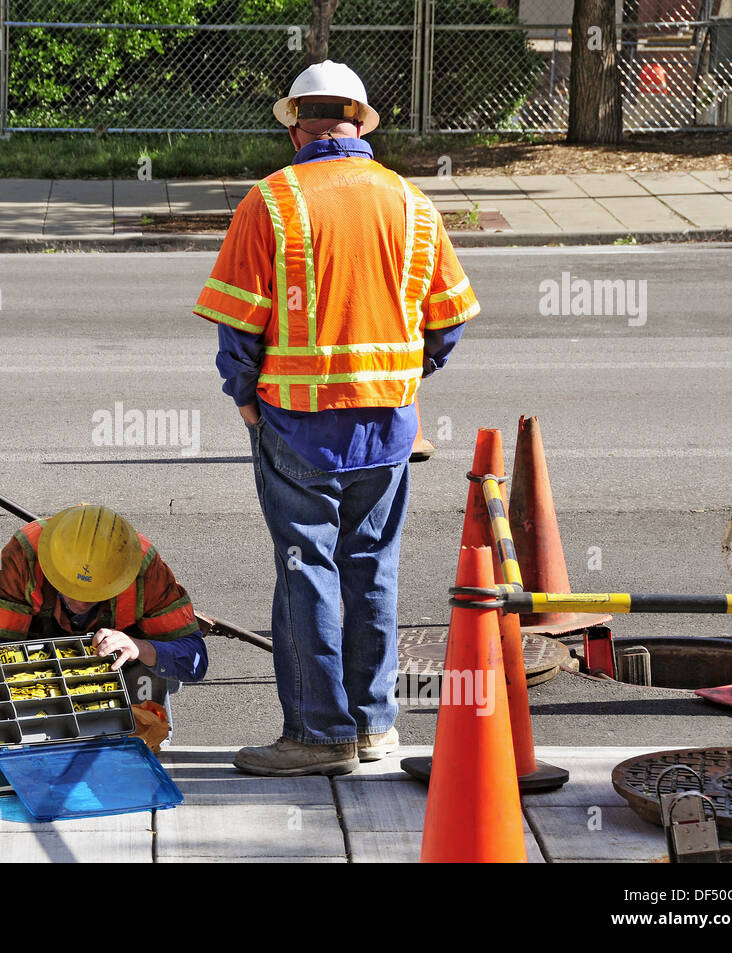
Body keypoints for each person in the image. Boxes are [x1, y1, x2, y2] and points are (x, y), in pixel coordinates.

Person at [193, 60, 478, 777]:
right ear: (359, 123)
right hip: (386, 429)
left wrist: (244, 396)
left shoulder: (273, 201)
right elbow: (446, 325)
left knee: (306, 574)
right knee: (372, 572)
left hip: (296, 425)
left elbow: (237, 328)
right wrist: (405, 381)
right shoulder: (413, 204)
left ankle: (320, 734)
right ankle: (375, 726)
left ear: (298, 126)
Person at [0, 505, 207, 716]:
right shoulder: (20, 555)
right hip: (39, 670)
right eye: (70, 587)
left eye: (96, 592)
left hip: (119, 673)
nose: (81, 602)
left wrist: (140, 648)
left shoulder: (144, 567)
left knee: (153, 656)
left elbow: (194, 662)